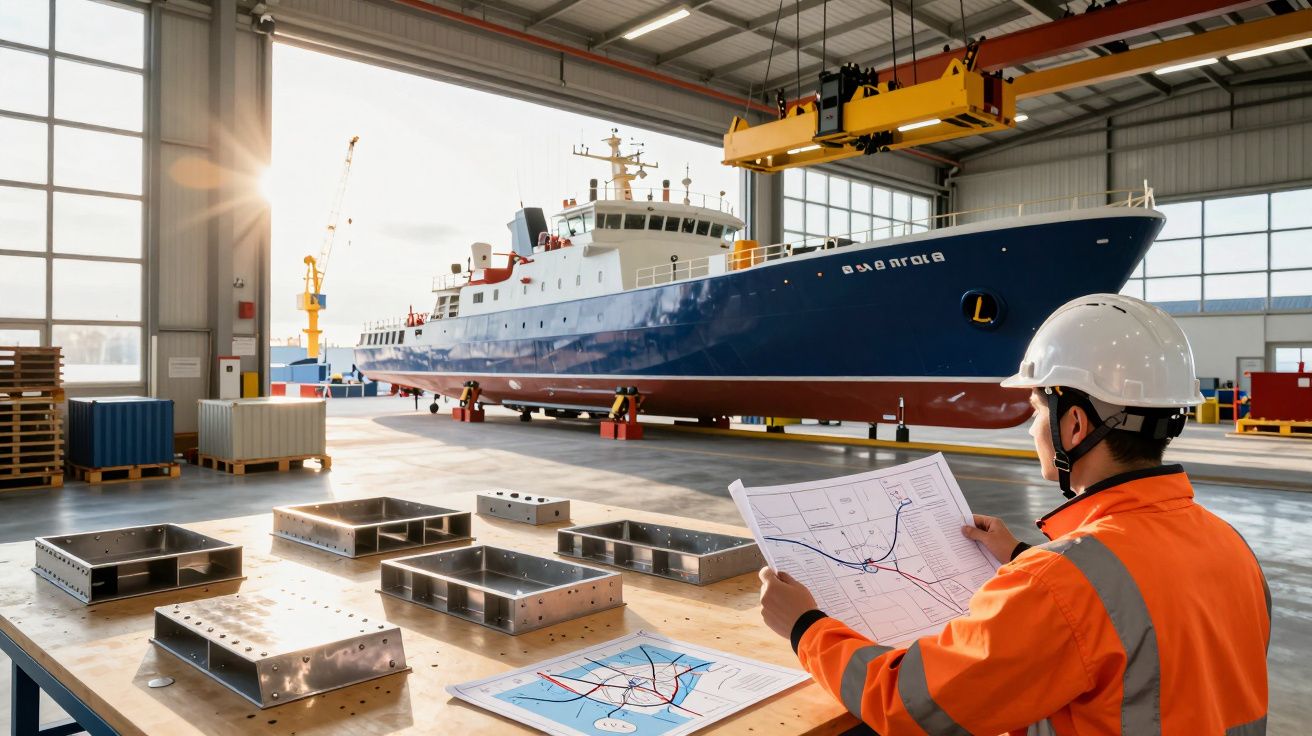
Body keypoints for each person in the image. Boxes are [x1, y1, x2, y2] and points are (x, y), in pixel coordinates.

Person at [757, 294, 1270, 735]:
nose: (1030, 429)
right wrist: (1021, 555)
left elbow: (909, 703)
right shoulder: (1230, 545)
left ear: (1074, 424)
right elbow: (1138, 622)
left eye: (1036, 410)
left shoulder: (1062, 584)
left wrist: (805, 625)